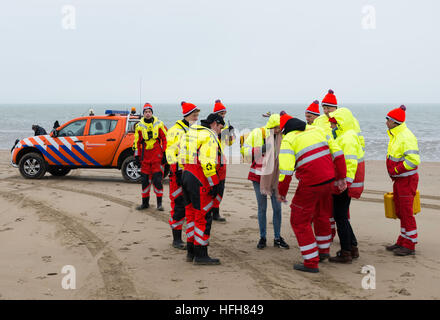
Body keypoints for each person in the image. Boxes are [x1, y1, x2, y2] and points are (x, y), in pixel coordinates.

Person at [277, 113, 347, 273]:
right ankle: (323, 251)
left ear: (285, 130)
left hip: (310, 184)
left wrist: (282, 193)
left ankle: (311, 261)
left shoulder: (289, 140)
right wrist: (341, 177)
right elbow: (338, 153)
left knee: (299, 220)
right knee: (322, 214)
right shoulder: (317, 130)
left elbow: (286, 171)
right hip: (329, 180)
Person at [179, 113, 225, 265]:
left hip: (186, 174)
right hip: (199, 178)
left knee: (191, 215)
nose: (220, 131)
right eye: (220, 127)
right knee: (203, 216)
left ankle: (190, 251)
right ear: (215, 124)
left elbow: (180, 154)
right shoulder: (209, 136)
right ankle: (201, 254)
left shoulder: (191, 132)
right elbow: (207, 162)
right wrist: (214, 183)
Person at [241, 114, 289, 250]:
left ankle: (277, 238)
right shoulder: (258, 133)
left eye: (281, 127)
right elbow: (244, 150)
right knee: (262, 208)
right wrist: (260, 149)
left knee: (277, 208)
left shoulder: (284, 136)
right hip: (258, 176)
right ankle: (262, 237)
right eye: (278, 127)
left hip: (276, 177)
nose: (280, 129)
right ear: (272, 125)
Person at [327, 108, 365, 263]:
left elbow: (349, 163)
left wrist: (344, 183)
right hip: (347, 183)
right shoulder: (347, 135)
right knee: (342, 216)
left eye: (333, 123)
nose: (331, 127)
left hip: (345, 184)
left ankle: (346, 252)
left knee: (340, 216)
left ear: (340, 123)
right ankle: (353, 246)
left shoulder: (347, 138)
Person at [385, 105, 420, 256]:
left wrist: (396, 170)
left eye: (388, 120)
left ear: (394, 122)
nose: (386, 122)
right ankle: (403, 240)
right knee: (400, 210)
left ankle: (410, 244)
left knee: (406, 212)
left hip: (407, 180)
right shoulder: (396, 135)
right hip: (400, 180)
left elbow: (413, 160)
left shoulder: (406, 136)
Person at [165, 101, 200, 250]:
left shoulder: (193, 129)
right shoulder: (175, 130)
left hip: (191, 172)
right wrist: (176, 171)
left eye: (197, 115)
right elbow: (170, 152)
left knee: (190, 206)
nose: (196, 118)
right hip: (178, 174)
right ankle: (176, 239)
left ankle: (188, 237)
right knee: (178, 205)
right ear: (187, 115)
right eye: (194, 115)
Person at [133, 102, 167, 211]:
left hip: (157, 155)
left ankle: (159, 204)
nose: (147, 114)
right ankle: (145, 203)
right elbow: (136, 142)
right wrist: (137, 156)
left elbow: (165, 139)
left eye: (149, 112)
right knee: (144, 180)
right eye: (146, 112)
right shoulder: (139, 126)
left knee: (157, 180)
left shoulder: (159, 124)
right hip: (145, 157)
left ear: (152, 113)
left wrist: (165, 153)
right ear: (143, 114)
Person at [210, 99, 235, 222]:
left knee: (220, 187)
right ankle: (208, 211)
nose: (223, 115)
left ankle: (216, 211)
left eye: (224, 113)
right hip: (210, 159)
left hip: (221, 160)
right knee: (210, 187)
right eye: (221, 113)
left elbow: (230, 143)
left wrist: (231, 133)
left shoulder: (224, 127)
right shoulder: (210, 126)